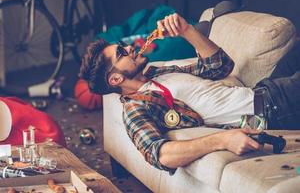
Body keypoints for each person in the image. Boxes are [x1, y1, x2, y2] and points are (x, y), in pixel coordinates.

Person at [79, 13, 300, 172]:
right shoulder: (136, 107)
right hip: (273, 110)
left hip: (265, 89)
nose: (128, 48)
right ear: (116, 79)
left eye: (121, 46)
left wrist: (187, 30)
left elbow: (221, 66)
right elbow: (160, 154)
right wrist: (222, 139)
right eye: (121, 52)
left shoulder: (158, 72)